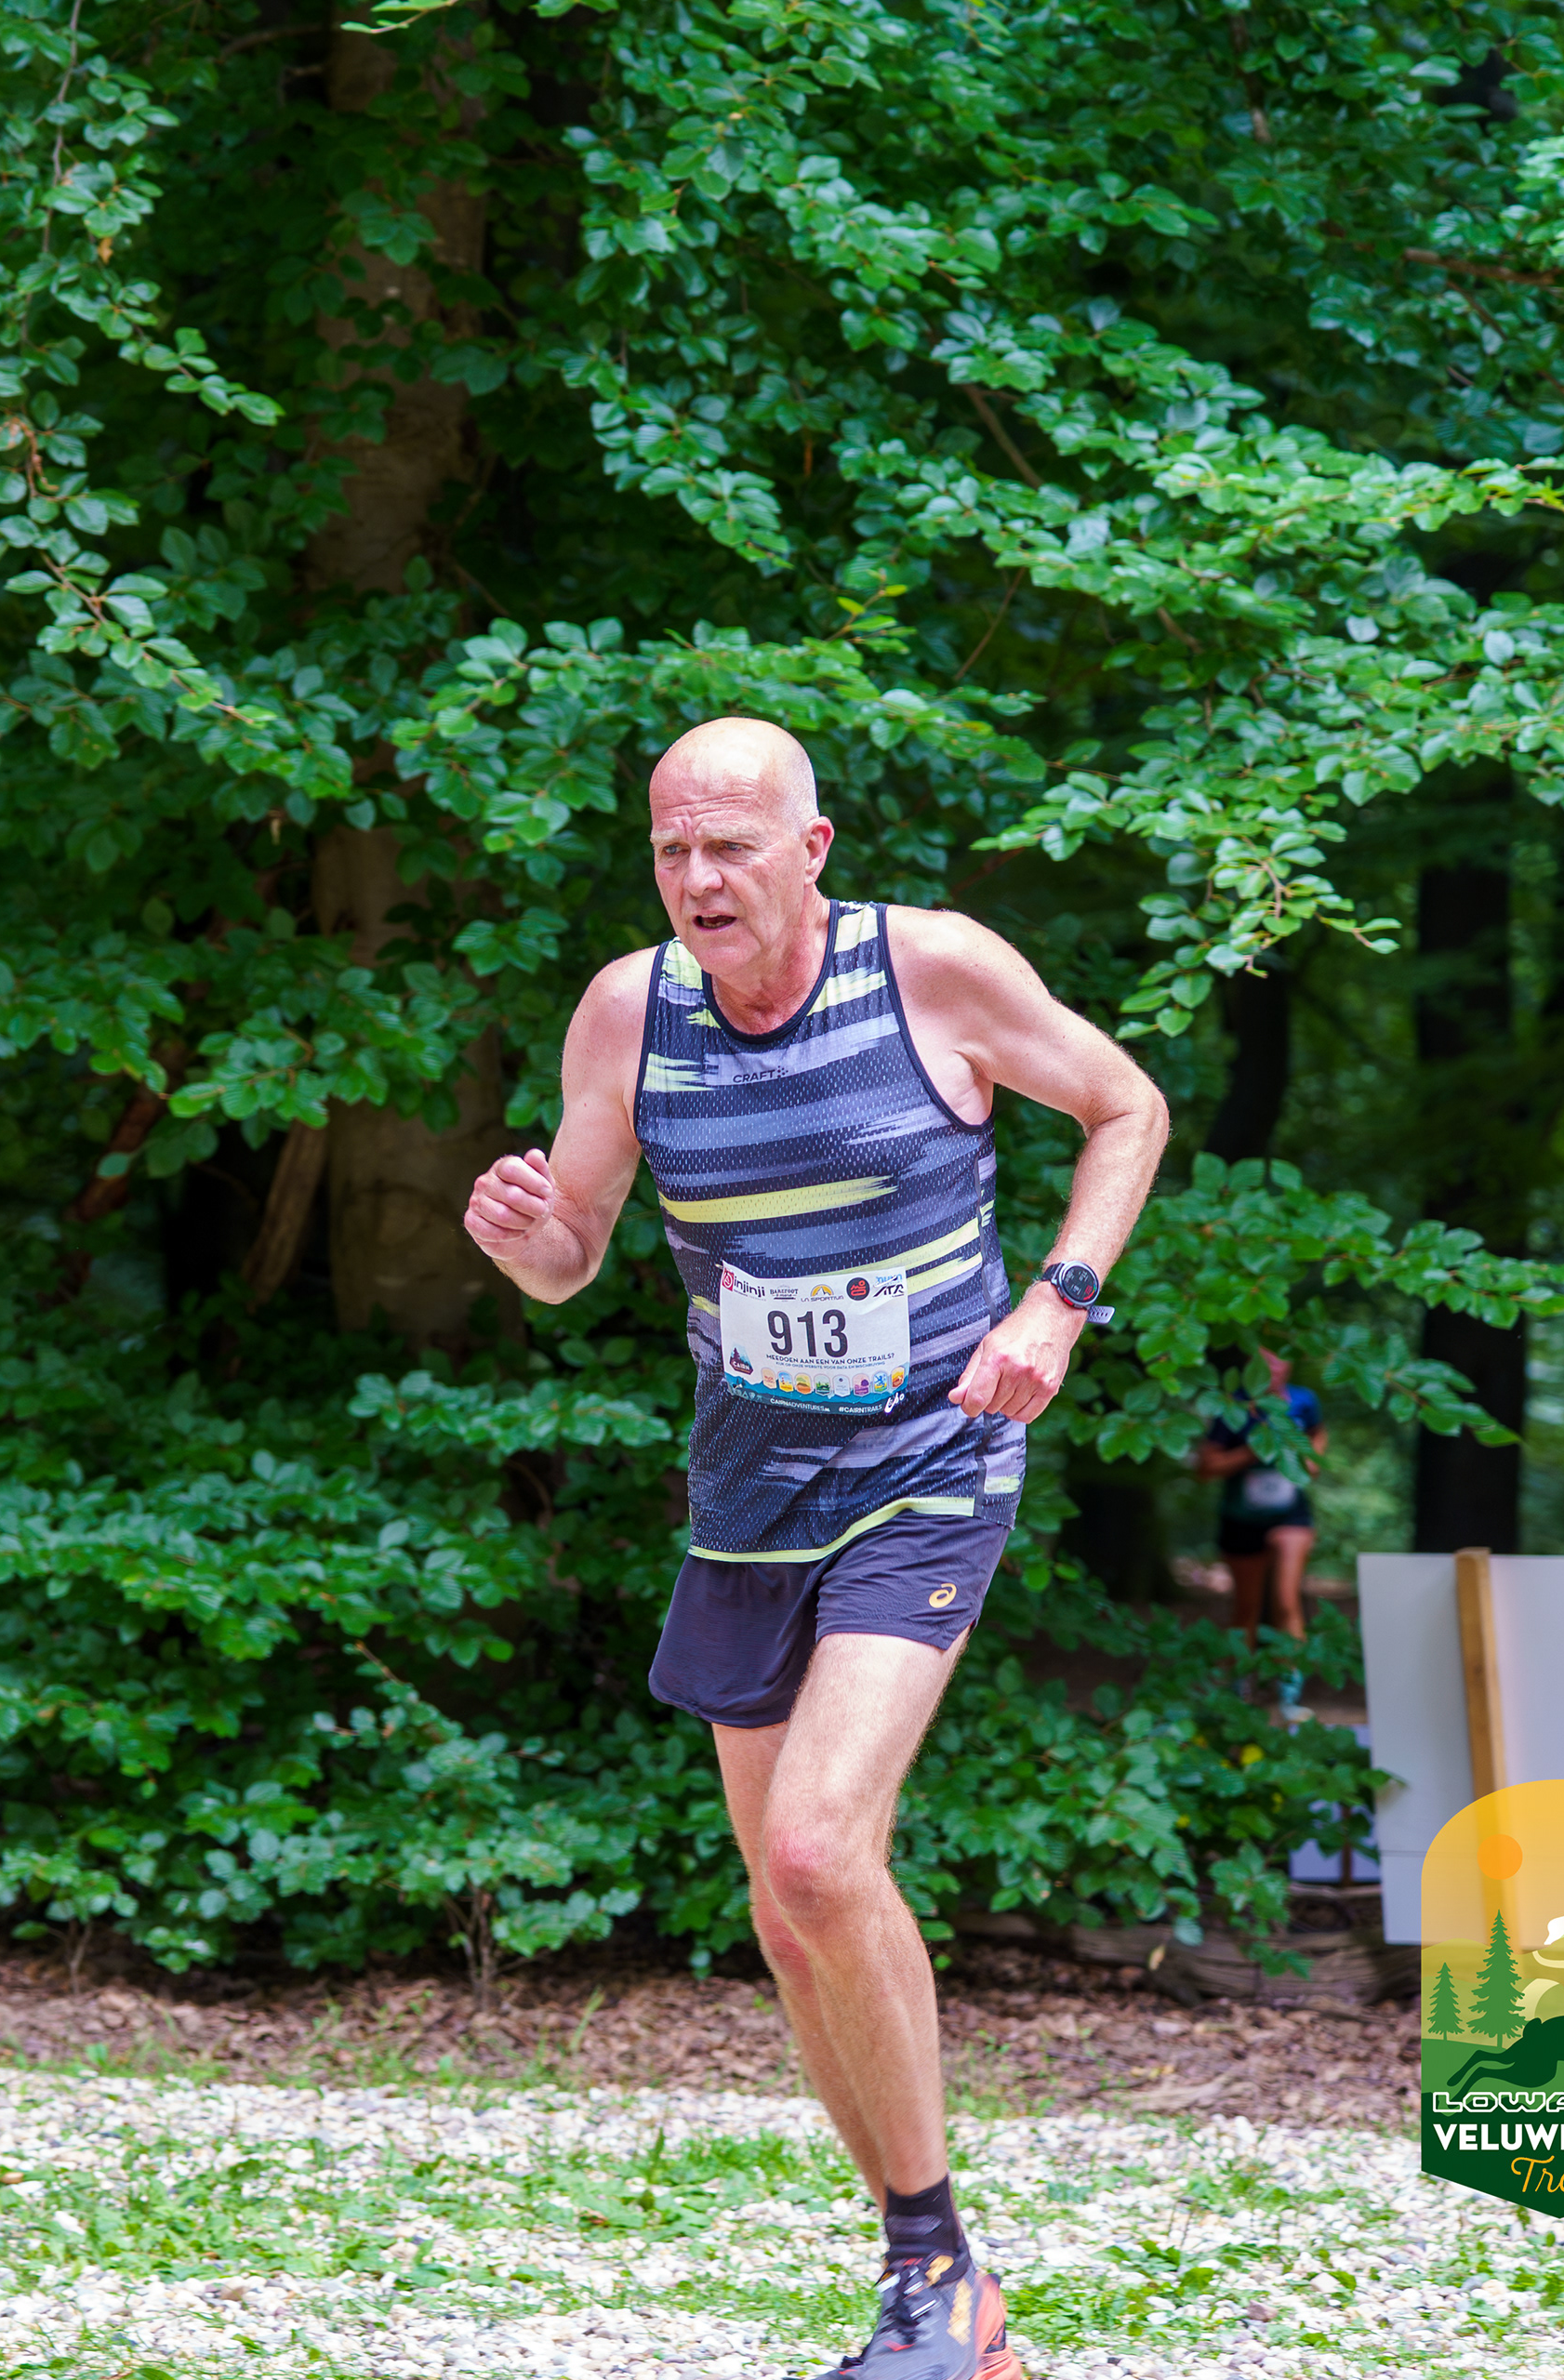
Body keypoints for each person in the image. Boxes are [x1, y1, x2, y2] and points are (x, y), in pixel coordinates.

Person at [462, 718, 1169, 2380]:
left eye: (729, 845)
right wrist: (526, 1237)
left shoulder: (932, 973)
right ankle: (937, 2295)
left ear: (811, 847)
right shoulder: (630, 1014)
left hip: (928, 1463)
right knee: (790, 1919)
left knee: (816, 1851)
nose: (698, 878)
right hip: (747, 1497)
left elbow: (1126, 1108)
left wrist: (1055, 1308)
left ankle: (938, 2274)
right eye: (671, 849)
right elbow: (573, 1254)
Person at [1194, 1347, 1324, 1721]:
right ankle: (1240, 1690)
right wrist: (1255, 1452)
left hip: (1291, 1515)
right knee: (1246, 1606)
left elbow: (1318, 1435)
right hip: (1241, 1517)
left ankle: (1289, 1695)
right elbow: (1206, 1467)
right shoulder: (1233, 1407)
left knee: (1286, 1600)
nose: (1274, 1369)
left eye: (1280, 1361)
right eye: (1265, 1362)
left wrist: (1309, 1459)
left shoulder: (1303, 1401)